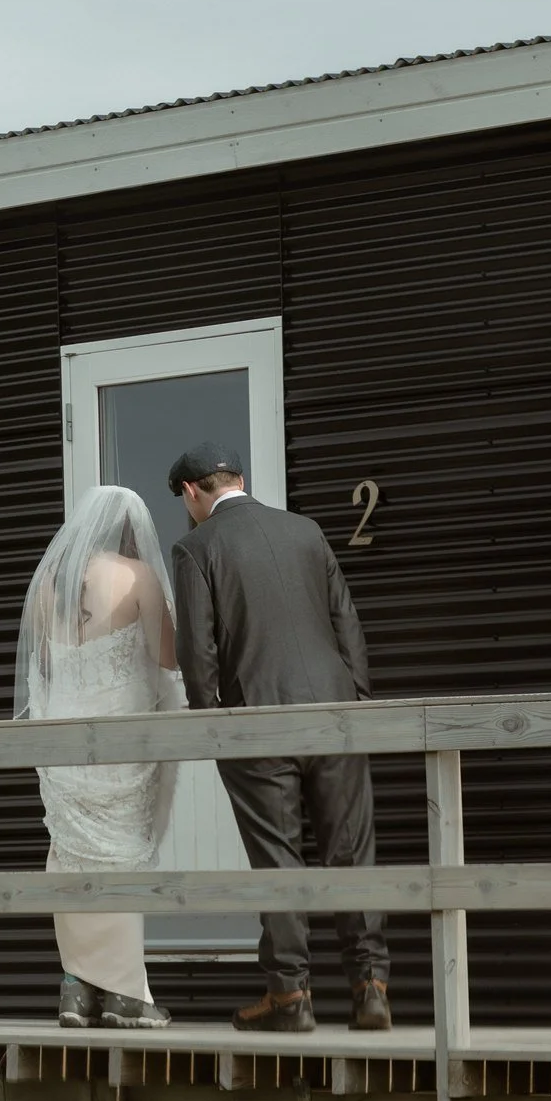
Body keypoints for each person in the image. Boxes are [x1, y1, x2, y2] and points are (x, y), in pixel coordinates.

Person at [166, 443, 391, 1034]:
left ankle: (290, 997)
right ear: (240, 478)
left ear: (192, 492)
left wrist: (212, 722)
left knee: (277, 857)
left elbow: (198, 650)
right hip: (336, 714)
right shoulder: (305, 531)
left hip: (256, 721)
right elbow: (347, 622)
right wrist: (359, 704)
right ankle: (371, 988)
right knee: (351, 852)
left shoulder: (195, 548)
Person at [15, 485, 184, 1030]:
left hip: (62, 740)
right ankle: (122, 996)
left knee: (70, 854)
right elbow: (167, 656)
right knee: (121, 855)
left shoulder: (50, 583)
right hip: (119, 739)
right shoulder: (139, 576)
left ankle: (76, 990)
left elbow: (42, 662)